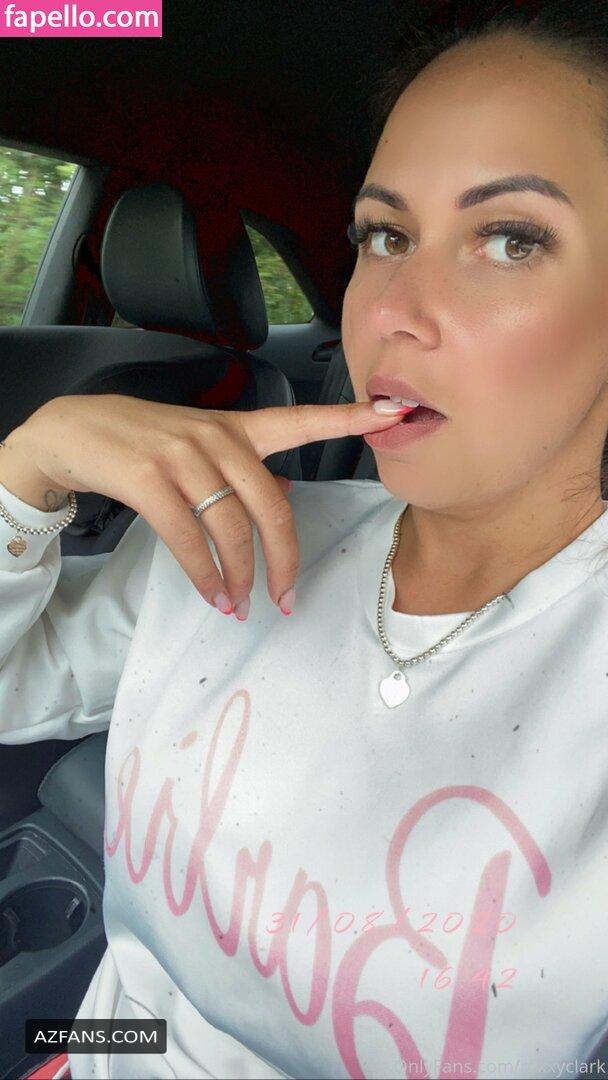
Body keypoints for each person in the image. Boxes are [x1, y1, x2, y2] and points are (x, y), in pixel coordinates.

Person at [3, 0, 608, 1076]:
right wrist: (26, 475)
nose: (392, 311)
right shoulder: (232, 532)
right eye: (384, 235)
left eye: (508, 239)